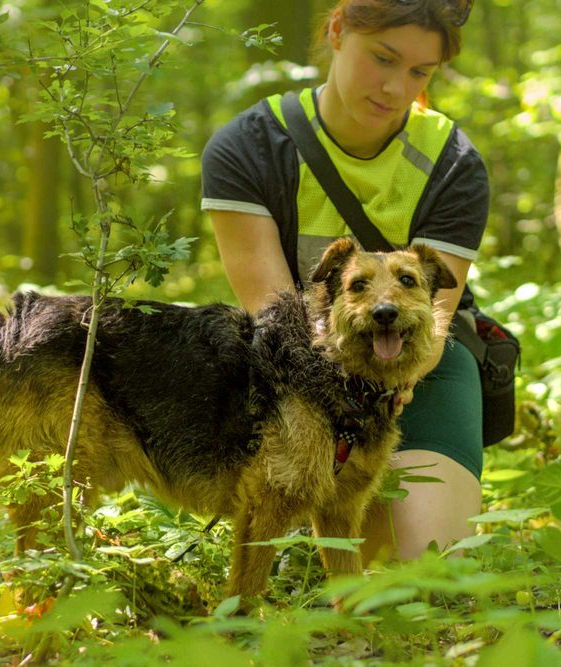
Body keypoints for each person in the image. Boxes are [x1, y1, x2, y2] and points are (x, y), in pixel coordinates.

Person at [200, 0, 487, 562]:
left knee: (426, 560)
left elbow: (437, 318)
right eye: (383, 58)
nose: (395, 87)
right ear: (337, 30)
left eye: (419, 72)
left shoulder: (452, 161)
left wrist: (393, 386)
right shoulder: (248, 148)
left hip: (418, 367)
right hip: (292, 367)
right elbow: (274, 317)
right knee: (296, 518)